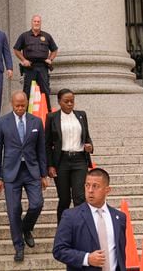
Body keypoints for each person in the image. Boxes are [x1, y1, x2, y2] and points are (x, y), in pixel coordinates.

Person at [0, 91, 48, 262]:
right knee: (14, 210)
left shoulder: (36, 122)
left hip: (31, 170)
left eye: (23, 105)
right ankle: (19, 247)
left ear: (26, 103)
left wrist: (43, 174)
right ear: (11, 103)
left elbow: (41, 150)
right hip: (11, 172)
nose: (20, 108)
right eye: (17, 105)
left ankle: (26, 227)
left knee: (37, 203)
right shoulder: (2, 122)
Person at [53, 168, 127, 271]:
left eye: (95, 186)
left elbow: (119, 253)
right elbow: (59, 250)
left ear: (107, 190)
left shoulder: (119, 217)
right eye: (87, 185)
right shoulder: (70, 216)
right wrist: (86, 258)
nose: (90, 190)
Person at [45, 88, 94, 223]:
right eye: (66, 101)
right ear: (59, 102)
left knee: (79, 197)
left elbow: (87, 137)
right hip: (61, 161)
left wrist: (90, 146)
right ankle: (63, 227)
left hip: (79, 160)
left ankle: (81, 226)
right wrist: (50, 165)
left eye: (72, 101)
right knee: (64, 199)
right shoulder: (52, 117)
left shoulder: (81, 115)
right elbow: (47, 144)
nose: (70, 104)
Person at [13, 15, 58, 111]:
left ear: (40, 23)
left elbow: (54, 50)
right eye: (35, 21)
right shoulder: (24, 36)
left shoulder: (46, 36)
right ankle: (24, 113)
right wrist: (23, 60)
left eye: (38, 22)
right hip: (30, 67)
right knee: (27, 91)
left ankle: (48, 113)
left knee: (45, 91)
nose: (36, 23)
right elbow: (16, 49)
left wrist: (50, 59)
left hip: (42, 67)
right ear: (31, 22)